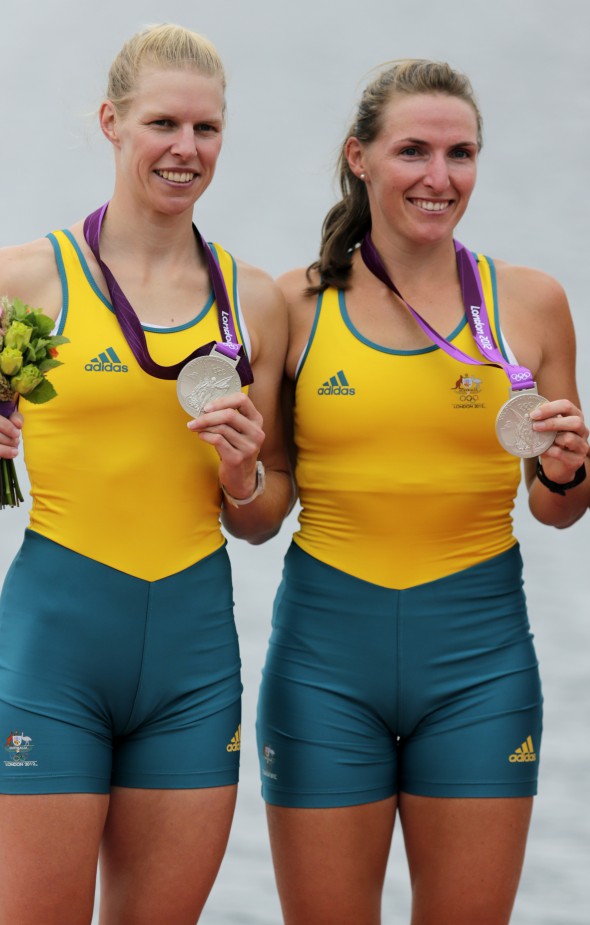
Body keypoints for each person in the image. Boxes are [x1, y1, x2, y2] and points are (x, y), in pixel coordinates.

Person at [256, 59, 590, 925]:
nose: (440, 178)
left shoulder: (531, 303)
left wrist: (568, 469)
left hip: (480, 668)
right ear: (358, 158)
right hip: (324, 669)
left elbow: (558, 505)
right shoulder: (293, 304)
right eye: (413, 150)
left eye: (461, 153)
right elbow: (259, 515)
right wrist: (233, 478)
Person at [0, 23, 292, 925]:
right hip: (53, 651)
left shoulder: (256, 301)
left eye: (206, 131)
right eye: (163, 124)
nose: (185, 150)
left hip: (192, 663)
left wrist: (243, 475)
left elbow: (265, 513)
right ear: (111, 123)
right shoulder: (26, 283)